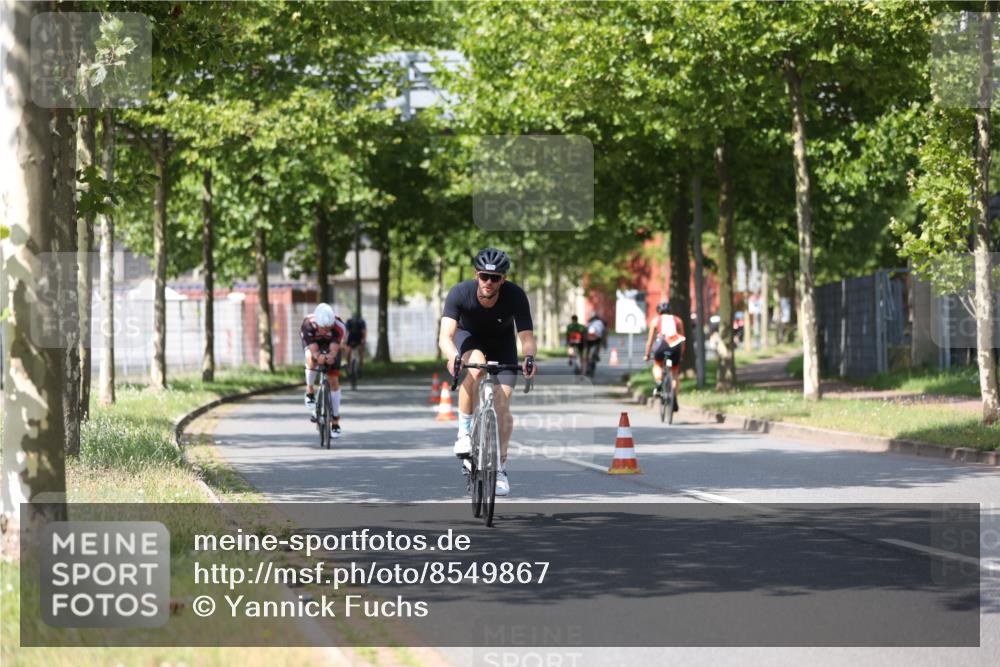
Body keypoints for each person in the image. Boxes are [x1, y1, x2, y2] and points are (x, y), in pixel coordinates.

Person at [438, 247, 537, 497]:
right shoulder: (460, 293)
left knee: (502, 404)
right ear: (476, 275)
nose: (489, 283)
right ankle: (464, 431)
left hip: (502, 345)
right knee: (477, 370)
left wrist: (529, 357)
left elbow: (525, 336)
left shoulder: (515, 295)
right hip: (468, 339)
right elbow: (445, 336)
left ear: (503, 279)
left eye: (495, 278)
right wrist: (453, 358)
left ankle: (500, 468)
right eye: (484, 276)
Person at [301, 303, 347, 439]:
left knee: (333, 380)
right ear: (317, 323)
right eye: (323, 328)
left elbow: (334, 349)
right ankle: (309, 391)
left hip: (331, 344)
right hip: (313, 342)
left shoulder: (338, 327)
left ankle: (335, 421)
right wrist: (318, 357)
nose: (326, 330)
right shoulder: (308, 324)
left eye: (328, 328)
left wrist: (331, 357)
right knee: (311, 359)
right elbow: (314, 350)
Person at [643, 301, 686, 410]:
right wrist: (681, 354)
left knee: (657, 365)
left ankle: (658, 381)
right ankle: (674, 396)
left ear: (659, 312)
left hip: (661, 345)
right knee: (674, 372)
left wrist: (647, 354)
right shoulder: (678, 320)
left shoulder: (655, 321)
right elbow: (683, 340)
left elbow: (650, 340)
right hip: (675, 346)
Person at [344, 311, 367, 377]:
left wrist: (363, 340)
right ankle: (350, 367)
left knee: (360, 353)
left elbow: (364, 332)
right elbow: (346, 332)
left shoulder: (360, 322)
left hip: (356, 339)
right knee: (351, 353)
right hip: (352, 339)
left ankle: (359, 368)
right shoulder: (350, 322)